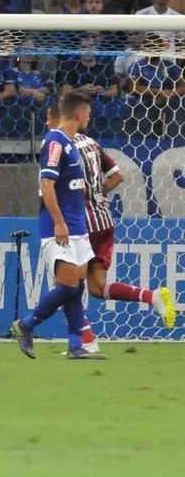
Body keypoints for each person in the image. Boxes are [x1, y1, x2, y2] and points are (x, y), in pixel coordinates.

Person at [48, 105, 176, 352]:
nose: (46, 124)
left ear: (59, 118)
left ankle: (84, 342)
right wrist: (99, 194)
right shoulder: (92, 143)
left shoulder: (62, 146)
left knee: (66, 285)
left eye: (48, 119)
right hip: (104, 222)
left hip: (80, 223)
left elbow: (53, 183)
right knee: (96, 287)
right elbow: (117, 176)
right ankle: (152, 297)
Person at [11, 91, 101, 360]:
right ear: (79, 113)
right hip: (59, 227)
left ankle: (76, 345)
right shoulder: (55, 141)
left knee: (78, 286)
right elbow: (46, 185)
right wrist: (60, 222)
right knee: (68, 286)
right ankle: (26, 324)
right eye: (88, 112)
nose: (89, 116)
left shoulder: (71, 144)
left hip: (78, 227)